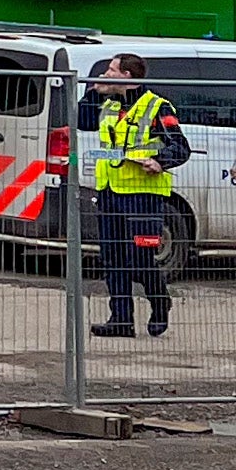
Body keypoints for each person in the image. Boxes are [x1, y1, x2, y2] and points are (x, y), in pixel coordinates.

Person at [84, 50, 181, 338]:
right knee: (112, 259)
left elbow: (179, 146)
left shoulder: (157, 106)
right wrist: (93, 91)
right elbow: (80, 120)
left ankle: (159, 300)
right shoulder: (109, 104)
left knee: (140, 258)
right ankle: (121, 320)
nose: (105, 74)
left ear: (127, 76)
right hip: (110, 192)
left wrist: (159, 161)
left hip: (143, 197)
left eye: (110, 70)